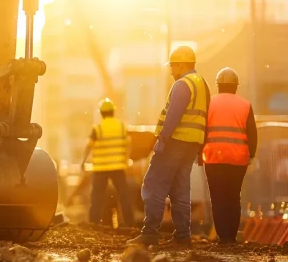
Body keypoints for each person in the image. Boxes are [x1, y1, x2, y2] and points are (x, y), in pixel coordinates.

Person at [127, 45, 211, 247]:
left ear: (182, 64)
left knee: (154, 183)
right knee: (180, 189)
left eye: (173, 66)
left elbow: (173, 116)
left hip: (175, 141)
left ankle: (150, 233)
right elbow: (205, 117)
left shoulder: (183, 84)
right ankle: (183, 236)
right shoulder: (202, 85)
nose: (171, 70)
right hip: (191, 144)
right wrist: (201, 146)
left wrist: (162, 140)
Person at [202, 67, 258, 245]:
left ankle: (222, 236)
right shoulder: (245, 105)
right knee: (233, 196)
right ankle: (231, 236)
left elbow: (202, 130)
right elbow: (252, 133)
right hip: (238, 158)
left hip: (213, 157)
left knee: (218, 197)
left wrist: (198, 151)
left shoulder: (208, 103)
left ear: (218, 86)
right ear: (236, 87)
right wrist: (252, 154)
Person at [81, 98, 134, 228]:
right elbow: (129, 144)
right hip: (118, 166)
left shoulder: (97, 128)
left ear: (101, 113)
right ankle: (129, 224)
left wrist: (82, 162)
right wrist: (126, 159)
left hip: (100, 168)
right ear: (113, 112)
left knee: (97, 198)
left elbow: (88, 146)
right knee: (124, 196)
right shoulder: (121, 126)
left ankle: (94, 224)